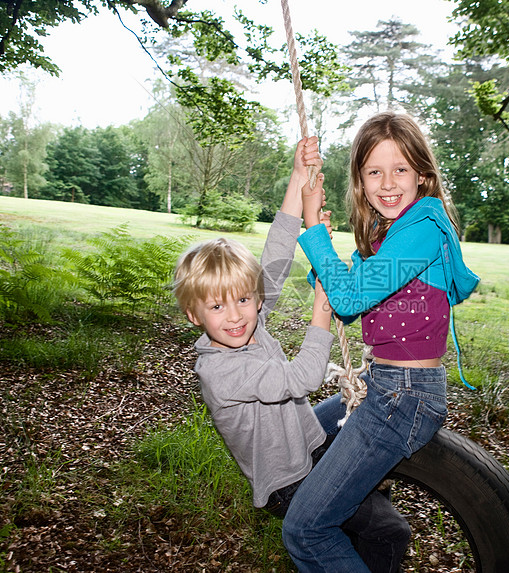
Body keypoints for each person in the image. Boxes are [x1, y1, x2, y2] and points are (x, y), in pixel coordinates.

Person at [171, 136, 411, 572]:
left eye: (244, 299)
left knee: (365, 412)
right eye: (217, 306)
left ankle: (356, 496)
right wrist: (323, 307)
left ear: (255, 299)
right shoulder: (220, 372)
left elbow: (277, 257)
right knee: (387, 532)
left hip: (304, 439)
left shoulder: (247, 325)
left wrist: (300, 177)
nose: (236, 317)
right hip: (288, 481)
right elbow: (301, 380)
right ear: (194, 315)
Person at [282, 112, 481, 571]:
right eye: (374, 171)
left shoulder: (424, 230)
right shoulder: (386, 234)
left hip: (404, 398)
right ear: (360, 179)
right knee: (300, 437)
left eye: (400, 170)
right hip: (382, 384)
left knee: (304, 531)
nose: (387, 183)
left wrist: (312, 226)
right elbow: (345, 292)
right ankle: (377, 527)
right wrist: (321, 245)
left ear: (423, 175)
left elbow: (349, 299)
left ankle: (342, 520)